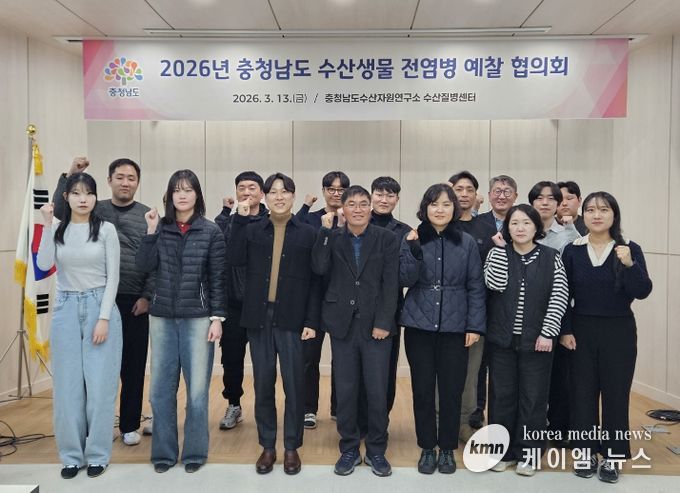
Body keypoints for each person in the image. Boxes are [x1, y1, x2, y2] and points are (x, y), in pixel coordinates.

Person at [53, 157, 153, 445]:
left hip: (134, 300)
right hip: (93, 299)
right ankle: (96, 426)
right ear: (109, 180)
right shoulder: (95, 209)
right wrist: (69, 175)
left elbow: (154, 259)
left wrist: (147, 296)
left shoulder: (146, 214)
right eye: (119, 177)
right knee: (91, 370)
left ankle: (130, 425)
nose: (125, 182)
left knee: (132, 366)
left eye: (131, 178)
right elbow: (59, 212)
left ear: (137, 182)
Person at [227, 172, 320, 475]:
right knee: (263, 384)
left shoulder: (308, 233)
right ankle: (268, 446)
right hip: (259, 318)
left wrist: (311, 320)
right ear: (265, 197)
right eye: (273, 192)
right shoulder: (252, 229)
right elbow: (234, 258)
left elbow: (316, 281)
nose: (279, 197)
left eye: (285, 191)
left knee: (294, 385)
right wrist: (239, 219)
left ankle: (291, 447)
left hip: (293, 318)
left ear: (293, 196)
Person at [135, 169, 226, 474]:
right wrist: (150, 232)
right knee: (161, 391)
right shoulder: (159, 228)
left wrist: (217, 318)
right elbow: (143, 266)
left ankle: (195, 453)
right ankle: (163, 453)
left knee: (197, 392)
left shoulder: (211, 231)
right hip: (162, 318)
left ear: (197, 195)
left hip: (198, 320)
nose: (182, 195)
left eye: (188, 190)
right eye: (177, 190)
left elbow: (218, 279)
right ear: (169, 195)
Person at [561, 191, 652, 484]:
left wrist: (630, 264)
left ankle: (613, 456)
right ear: (583, 215)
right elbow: (563, 295)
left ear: (614, 214)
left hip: (619, 331)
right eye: (590, 210)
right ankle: (585, 452)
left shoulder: (629, 248)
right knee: (582, 394)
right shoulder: (572, 250)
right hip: (581, 331)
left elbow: (642, 291)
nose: (596, 215)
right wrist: (565, 330)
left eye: (603, 209)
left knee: (615, 394)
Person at [38, 173, 122, 479]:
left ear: (95, 197)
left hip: (100, 305)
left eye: (88, 193)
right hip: (66, 309)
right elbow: (44, 264)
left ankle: (98, 454)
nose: (83, 199)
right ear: (67, 197)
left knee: (100, 387)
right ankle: (71, 456)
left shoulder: (106, 230)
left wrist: (103, 318)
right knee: (67, 388)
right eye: (76, 193)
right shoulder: (57, 229)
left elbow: (113, 277)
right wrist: (47, 225)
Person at [312, 185, 399, 477]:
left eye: (363, 204)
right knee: (346, 390)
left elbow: (391, 284)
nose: (358, 209)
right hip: (343, 326)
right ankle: (349, 447)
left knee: (377, 391)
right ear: (343, 209)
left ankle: (376, 450)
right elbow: (319, 268)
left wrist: (384, 322)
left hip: (377, 327)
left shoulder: (386, 238)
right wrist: (325, 232)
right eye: (352, 204)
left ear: (370, 208)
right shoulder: (333, 237)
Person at [400, 183, 486, 474]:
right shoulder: (412, 238)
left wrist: (475, 325)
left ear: (455, 209)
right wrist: (413, 250)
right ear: (425, 208)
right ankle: (427, 447)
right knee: (423, 390)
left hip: (456, 327)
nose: (440, 210)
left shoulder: (467, 242)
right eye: (434, 204)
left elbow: (476, 286)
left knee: (452, 390)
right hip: (418, 325)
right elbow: (404, 279)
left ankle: (447, 448)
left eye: (446, 204)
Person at [484, 204, 569, 476]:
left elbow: (559, 297)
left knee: (534, 398)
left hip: (538, 340)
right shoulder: (497, 253)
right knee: (501, 397)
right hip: (502, 339)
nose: (520, 228)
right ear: (506, 228)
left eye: (526, 223)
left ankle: (530, 455)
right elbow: (494, 283)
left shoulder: (551, 257)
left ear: (536, 227)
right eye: (514, 223)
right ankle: (502, 452)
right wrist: (500, 249)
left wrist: (548, 332)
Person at [214, 171, 267, 431]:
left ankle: (265, 409)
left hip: (263, 306)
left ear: (262, 193)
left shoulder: (271, 221)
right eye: (242, 187)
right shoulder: (227, 222)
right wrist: (235, 216)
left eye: (252, 187)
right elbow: (223, 252)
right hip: (233, 304)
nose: (246, 192)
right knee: (231, 359)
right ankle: (233, 404)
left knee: (264, 362)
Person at [448, 171, 498, 442]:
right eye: (458, 189)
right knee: (444, 373)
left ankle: (467, 422)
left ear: (476, 195)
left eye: (469, 189)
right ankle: (443, 423)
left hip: (476, 312)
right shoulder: (439, 225)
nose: (464, 194)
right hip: (444, 314)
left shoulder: (487, 230)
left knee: (472, 374)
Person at [298, 171, 350, 428]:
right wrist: (306, 208)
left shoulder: (354, 218)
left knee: (342, 359)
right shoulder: (311, 218)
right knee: (309, 357)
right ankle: (308, 408)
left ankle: (339, 407)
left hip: (343, 298)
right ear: (324, 190)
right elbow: (300, 242)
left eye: (341, 189)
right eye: (331, 188)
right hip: (314, 296)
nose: (336, 193)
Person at [474, 174, 518, 427]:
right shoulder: (477, 223)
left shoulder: (523, 222)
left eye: (507, 191)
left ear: (516, 196)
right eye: (497, 191)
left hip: (513, 305)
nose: (502, 196)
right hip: (482, 303)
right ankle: (477, 411)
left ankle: (504, 419)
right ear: (489, 195)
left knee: (505, 367)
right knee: (478, 365)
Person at [368, 176, 411, 420]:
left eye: (390, 195)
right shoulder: (357, 223)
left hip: (390, 310)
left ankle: (381, 418)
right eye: (379, 194)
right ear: (371, 196)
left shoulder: (404, 231)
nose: (384, 200)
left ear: (397, 199)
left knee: (386, 368)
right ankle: (357, 420)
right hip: (357, 308)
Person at [529, 181, 581, 254]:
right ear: (532, 203)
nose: (545, 203)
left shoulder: (568, 234)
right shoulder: (523, 232)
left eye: (551, 198)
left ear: (558, 204)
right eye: (539, 198)